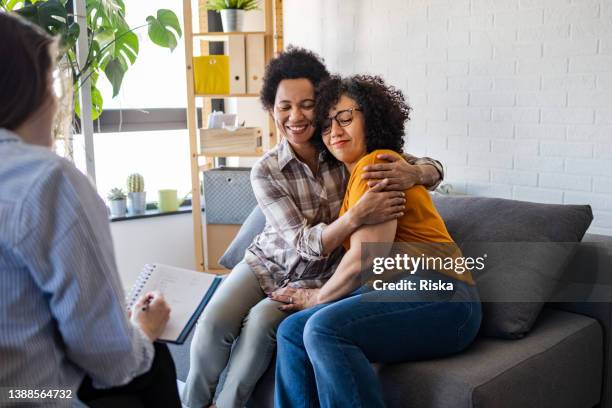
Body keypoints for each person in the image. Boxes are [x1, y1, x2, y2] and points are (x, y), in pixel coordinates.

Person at [182, 47, 445, 408]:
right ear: (272, 110)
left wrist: (415, 172)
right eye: (284, 106)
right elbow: (304, 242)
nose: (295, 116)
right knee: (213, 325)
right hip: (268, 263)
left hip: (319, 276)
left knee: (260, 328)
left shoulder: (342, 149)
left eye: (306, 104)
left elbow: (428, 166)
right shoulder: (267, 170)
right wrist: (355, 217)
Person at [0, 12, 181, 407]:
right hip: (28, 395)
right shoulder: (46, 180)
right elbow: (110, 358)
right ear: (29, 92)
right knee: (152, 361)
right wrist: (141, 329)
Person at [271, 75, 482, 408]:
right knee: (292, 332)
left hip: (443, 295)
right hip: (398, 291)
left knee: (323, 329)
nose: (335, 131)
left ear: (371, 115)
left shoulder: (377, 165)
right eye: (326, 126)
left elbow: (367, 260)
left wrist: (317, 297)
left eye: (345, 118)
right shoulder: (361, 171)